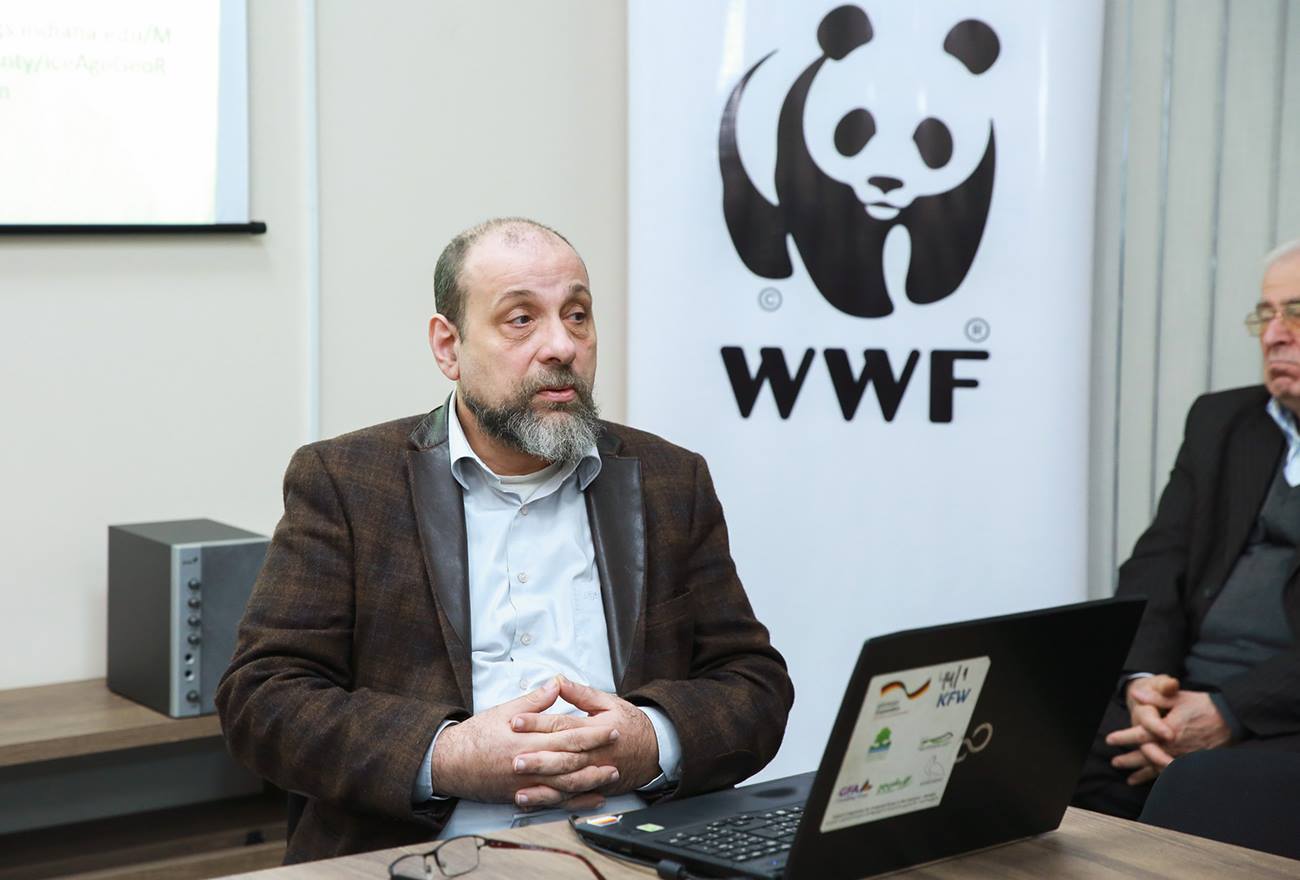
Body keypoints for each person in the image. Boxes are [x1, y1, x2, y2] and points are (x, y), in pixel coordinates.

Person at [216, 218, 794, 862]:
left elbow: (753, 685)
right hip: (423, 856)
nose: (562, 346)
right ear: (449, 346)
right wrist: (447, 756)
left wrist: (651, 741)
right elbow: (263, 700)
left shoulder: (669, 480)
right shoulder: (347, 481)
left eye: (577, 316)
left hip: (631, 851)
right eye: (521, 319)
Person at [1073, 241, 1300, 819]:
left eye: (1297, 313)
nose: (1275, 335)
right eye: (1266, 314)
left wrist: (1232, 712)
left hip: (1281, 711)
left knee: (1199, 792)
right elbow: (1158, 564)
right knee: (1026, 750)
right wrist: (1144, 684)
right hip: (1180, 691)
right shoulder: (1221, 421)